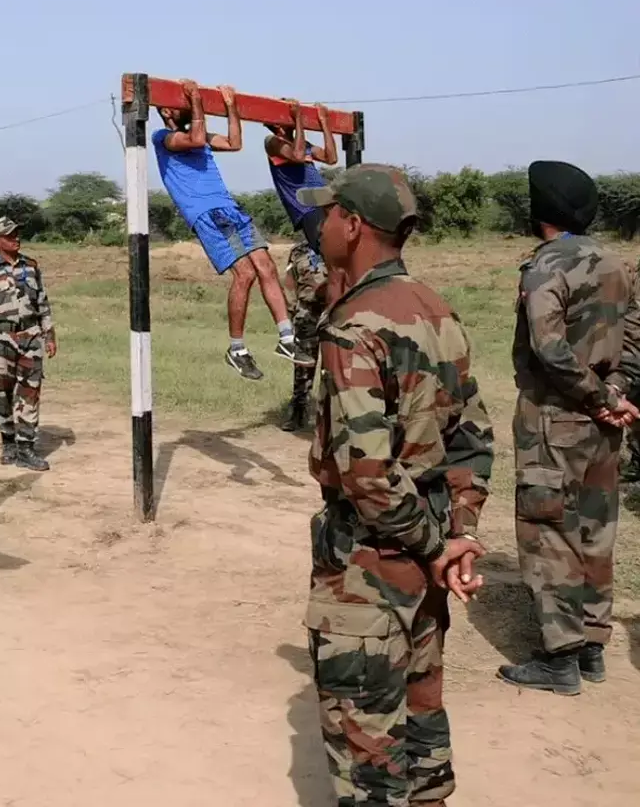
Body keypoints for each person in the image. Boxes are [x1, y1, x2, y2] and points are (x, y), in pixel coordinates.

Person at [300, 164, 494, 806]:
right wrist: (456, 534)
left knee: (367, 749)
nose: (320, 223)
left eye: (327, 213)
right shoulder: (436, 310)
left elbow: (370, 476)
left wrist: (436, 548)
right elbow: (473, 438)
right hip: (428, 550)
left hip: (370, 562)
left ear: (352, 225)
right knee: (422, 716)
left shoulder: (355, 326)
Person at [497, 160, 640, 695]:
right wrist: (617, 393)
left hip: (553, 418)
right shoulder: (615, 262)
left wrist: (597, 396)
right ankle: (594, 647)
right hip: (603, 424)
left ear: (540, 212)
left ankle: (560, 658)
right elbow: (635, 332)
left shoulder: (545, 266)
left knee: (549, 531)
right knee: (596, 528)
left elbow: (549, 349)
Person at [154, 80, 309, 380]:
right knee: (246, 273)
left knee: (265, 265)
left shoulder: (196, 134)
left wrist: (230, 107)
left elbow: (234, 143)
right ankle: (237, 350)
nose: (185, 109)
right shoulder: (164, 137)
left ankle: (287, 338)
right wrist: (197, 99)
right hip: (206, 214)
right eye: (180, 106)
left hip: (229, 208)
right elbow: (197, 139)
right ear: (165, 112)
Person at [265, 100, 339, 430]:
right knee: (306, 345)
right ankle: (298, 409)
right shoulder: (274, 143)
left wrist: (321, 122)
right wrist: (299, 121)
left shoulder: (303, 143)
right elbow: (296, 157)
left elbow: (332, 157)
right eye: (287, 120)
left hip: (321, 207)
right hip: (306, 210)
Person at [0, 217, 56, 471]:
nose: (15, 239)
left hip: (30, 335)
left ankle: (26, 447)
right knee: (1, 391)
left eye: (17, 234)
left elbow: (42, 302)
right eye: (10, 236)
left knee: (30, 391)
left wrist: (49, 334)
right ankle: (8, 441)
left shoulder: (31, 266)